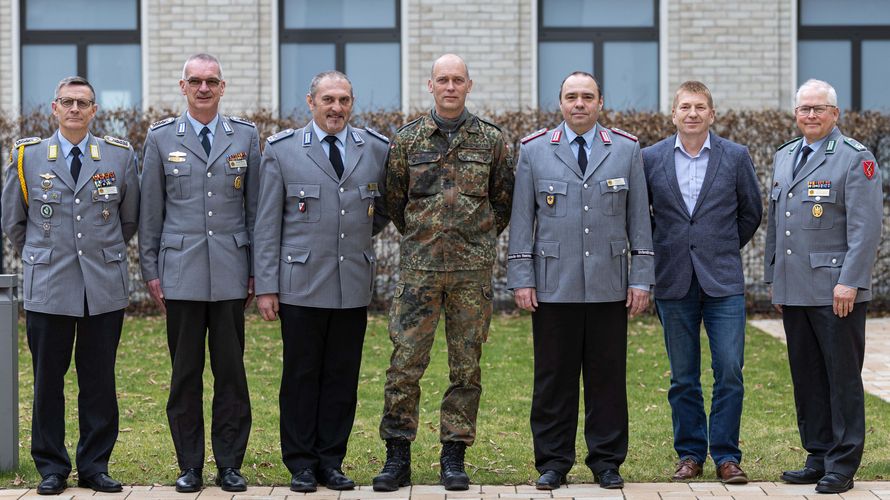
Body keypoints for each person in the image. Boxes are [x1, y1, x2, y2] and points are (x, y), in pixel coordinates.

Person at [372, 53, 514, 492]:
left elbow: (501, 202)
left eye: (458, 80)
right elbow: (395, 202)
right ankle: (398, 457)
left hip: (471, 275)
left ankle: (454, 456)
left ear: (469, 86)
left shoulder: (491, 141)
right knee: (404, 366)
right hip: (420, 273)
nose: (450, 87)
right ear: (430, 86)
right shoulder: (407, 140)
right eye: (442, 80)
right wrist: (424, 236)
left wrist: (474, 240)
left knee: (466, 369)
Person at [507, 71, 653, 491]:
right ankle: (553, 461)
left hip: (610, 283)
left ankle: (606, 461)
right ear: (560, 103)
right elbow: (522, 221)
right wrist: (522, 276)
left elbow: (638, 220)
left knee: (608, 377)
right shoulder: (534, 151)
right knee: (553, 377)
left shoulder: (625, 150)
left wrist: (641, 278)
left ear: (600, 103)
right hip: (554, 284)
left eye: (587, 97)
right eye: (571, 97)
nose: (579, 104)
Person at [1, 76, 139, 495]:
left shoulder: (117, 156)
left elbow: (128, 219)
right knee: (48, 380)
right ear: (54, 109)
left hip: (102, 285)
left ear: (95, 110)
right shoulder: (29, 157)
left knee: (98, 379)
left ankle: (95, 465)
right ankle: (52, 467)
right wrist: (48, 253)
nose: (75, 109)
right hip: (50, 284)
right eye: (67, 102)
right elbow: (13, 222)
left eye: (83, 103)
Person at [253, 71, 390, 493]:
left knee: (342, 377)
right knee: (301, 375)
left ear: (352, 103)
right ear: (310, 101)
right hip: (301, 283)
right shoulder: (283, 150)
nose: (336, 108)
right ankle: (301, 464)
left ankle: (331, 460)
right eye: (328, 99)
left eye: (344, 100)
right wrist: (267, 286)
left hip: (350, 282)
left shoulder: (375, 149)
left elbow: (380, 211)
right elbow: (266, 223)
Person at [138, 53, 259, 493]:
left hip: (231, 272)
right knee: (184, 374)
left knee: (231, 374)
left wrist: (256, 273)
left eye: (211, 81)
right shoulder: (161, 138)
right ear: (182, 86)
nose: (203, 88)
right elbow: (151, 211)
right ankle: (189, 465)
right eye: (195, 81)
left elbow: (256, 213)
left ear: (222, 87)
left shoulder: (245, 136)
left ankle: (229, 464)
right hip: (181, 275)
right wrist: (151, 268)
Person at [765, 79, 882, 494]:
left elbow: (866, 230)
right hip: (794, 289)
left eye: (818, 108)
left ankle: (842, 463)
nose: (810, 115)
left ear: (835, 114)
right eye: (803, 109)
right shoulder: (784, 157)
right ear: (795, 113)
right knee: (808, 377)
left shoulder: (855, 159)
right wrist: (774, 281)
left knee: (841, 378)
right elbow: (777, 227)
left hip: (836, 291)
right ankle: (817, 455)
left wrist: (850, 282)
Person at [642, 81, 762, 484]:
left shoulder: (735, 156)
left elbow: (751, 212)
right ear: (673, 114)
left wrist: (722, 246)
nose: (692, 113)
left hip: (723, 281)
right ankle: (690, 453)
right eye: (685, 107)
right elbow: (642, 219)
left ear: (712, 114)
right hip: (673, 280)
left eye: (700, 107)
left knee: (729, 369)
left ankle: (727, 456)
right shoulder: (650, 158)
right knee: (683, 376)